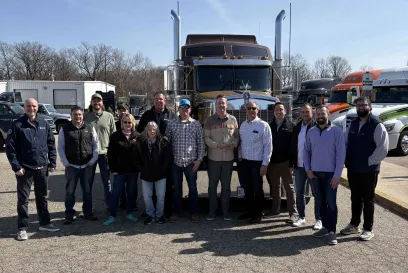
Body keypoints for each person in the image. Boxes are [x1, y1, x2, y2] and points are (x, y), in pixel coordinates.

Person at [6, 98, 59, 241]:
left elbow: (51, 144)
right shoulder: (17, 125)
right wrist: (16, 167)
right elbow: (10, 149)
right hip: (25, 170)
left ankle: (45, 223)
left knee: (42, 198)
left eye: (34, 106)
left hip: (42, 168)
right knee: (23, 200)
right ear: (25, 108)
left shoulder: (43, 123)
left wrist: (52, 162)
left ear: (37, 107)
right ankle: (22, 228)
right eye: (29, 106)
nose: (32, 108)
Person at [340, 96, 389, 241]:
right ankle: (354, 225)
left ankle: (368, 229)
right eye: (358, 106)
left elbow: (383, 147)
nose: (361, 108)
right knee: (355, 198)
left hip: (369, 170)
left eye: (364, 105)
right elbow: (345, 142)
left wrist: (370, 161)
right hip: (353, 168)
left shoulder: (376, 125)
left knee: (368, 199)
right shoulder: (353, 124)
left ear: (370, 107)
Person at [303, 105, 346, 245]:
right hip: (315, 174)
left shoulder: (337, 131)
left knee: (331, 203)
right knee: (320, 202)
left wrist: (337, 175)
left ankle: (332, 232)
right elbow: (306, 151)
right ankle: (325, 227)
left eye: (323, 113)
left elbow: (341, 155)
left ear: (328, 114)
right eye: (318, 114)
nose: (320, 116)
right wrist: (308, 169)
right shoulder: (311, 131)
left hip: (330, 175)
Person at [58, 106, 99, 224]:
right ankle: (69, 214)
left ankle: (88, 212)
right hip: (72, 166)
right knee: (70, 191)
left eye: (80, 114)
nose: (78, 117)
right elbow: (60, 147)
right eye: (75, 114)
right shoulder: (65, 129)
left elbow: (96, 145)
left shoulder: (90, 127)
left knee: (87, 191)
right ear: (71, 115)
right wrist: (65, 162)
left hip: (87, 166)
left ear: (83, 115)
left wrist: (93, 159)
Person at [165, 98, 205, 223]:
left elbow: (201, 144)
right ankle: (176, 212)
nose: (184, 109)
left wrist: (199, 160)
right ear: (178, 108)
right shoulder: (171, 124)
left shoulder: (196, 124)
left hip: (191, 162)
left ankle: (194, 212)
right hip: (176, 162)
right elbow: (167, 142)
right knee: (176, 189)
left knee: (193, 189)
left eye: (187, 107)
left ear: (190, 109)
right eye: (182, 107)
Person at [137, 91, 176, 217]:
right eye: (157, 99)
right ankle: (150, 210)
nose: (159, 101)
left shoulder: (171, 115)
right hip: (149, 155)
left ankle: (167, 210)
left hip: (165, 154)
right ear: (153, 101)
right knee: (150, 184)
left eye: (161, 99)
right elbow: (139, 133)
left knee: (167, 184)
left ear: (165, 101)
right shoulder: (147, 115)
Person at [204, 94, 239, 221]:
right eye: (219, 103)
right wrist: (216, 145)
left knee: (226, 187)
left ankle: (225, 211)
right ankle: (212, 211)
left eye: (223, 103)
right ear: (216, 104)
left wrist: (234, 144)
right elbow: (206, 138)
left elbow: (236, 136)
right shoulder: (209, 120)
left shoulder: (233, 120)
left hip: (228, 159)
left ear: (226, 104)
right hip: (214, 159)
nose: (221, 105)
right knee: (212, 186)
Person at [238, 101, 272, 223]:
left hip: (257, 163)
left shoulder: (263, 125)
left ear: (258, 110)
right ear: (246, 110)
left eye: (253, 108)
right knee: (247, 189)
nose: (251, 110)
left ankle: (257, 214)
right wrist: (240, 157)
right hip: (244, 162)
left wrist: (265, 164)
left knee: (257, 189)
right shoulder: (243, 125)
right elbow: (241, 143)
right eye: (249, 108)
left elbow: (268, 146)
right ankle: (248, 212)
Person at [289, 103, 322, 230]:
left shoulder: (317, 126)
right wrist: (291, 164)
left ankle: (319, 219)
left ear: (311, 112)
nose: (304, 114)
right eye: (302, 112)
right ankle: (301, 217)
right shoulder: (297, 127)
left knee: (316, 193)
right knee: (299, 193)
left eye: (306, 112)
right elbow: (292, 147)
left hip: (314, 167)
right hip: (299, 166)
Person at [103, 114, 139, 225]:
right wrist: (113, 168)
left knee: (130, 193)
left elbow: (140, 154)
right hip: (119, 171)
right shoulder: (115, 136)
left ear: (133, 123)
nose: (127, 124)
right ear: (122, 123)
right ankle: (112, 215)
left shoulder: (137, 136)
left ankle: (129, 213)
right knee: (116, 193)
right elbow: (111, 154)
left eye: (129, 122)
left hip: (133, 171)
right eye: (125, 122)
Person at [134, 122, 172, 225]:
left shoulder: (163, 141)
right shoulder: (141, 142)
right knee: (147, 196)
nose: (152, 131)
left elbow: (168, 158)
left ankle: (159, 215)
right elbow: (136, 158)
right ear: (146, 130)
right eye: (150, 129)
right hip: (146, 174)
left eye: (154, 129)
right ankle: (150, 215)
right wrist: (142, 169)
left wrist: (162, 169)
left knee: (160, 196)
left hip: (160, 174)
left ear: (157, 130)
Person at [266, 102, 298, 223]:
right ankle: (275, 210)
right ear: (273, 112)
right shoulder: (269, 126)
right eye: (276, 110)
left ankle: (293, 213)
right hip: (272, 163)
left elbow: (294, 147)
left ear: (285, 111)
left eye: (281, 110)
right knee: (275, 187)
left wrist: (292, 164)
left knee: (289, 188)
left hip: (286, 163)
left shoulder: (292, 127)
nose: (279, 112)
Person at [84, 93, 116, 212]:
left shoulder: (109, 116)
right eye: (94, 100)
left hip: (105, 154)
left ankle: (109, 205)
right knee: (88, 182)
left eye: (99, 101)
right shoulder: (85, 116)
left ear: (102, 103)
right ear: (91, 102)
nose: (96, 103)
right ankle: (87, 207)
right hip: (89, 154)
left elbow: (113, 135)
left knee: (106, 181)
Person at [115, 103, 133, 211]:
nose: (122, 112)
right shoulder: (116, 124)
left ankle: (132, 204)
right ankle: (122, 203)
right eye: (120, 110)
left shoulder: (132, 125)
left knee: (132, 186)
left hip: (131, 163)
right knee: (120, 186)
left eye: (124, 110)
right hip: (120, 161)